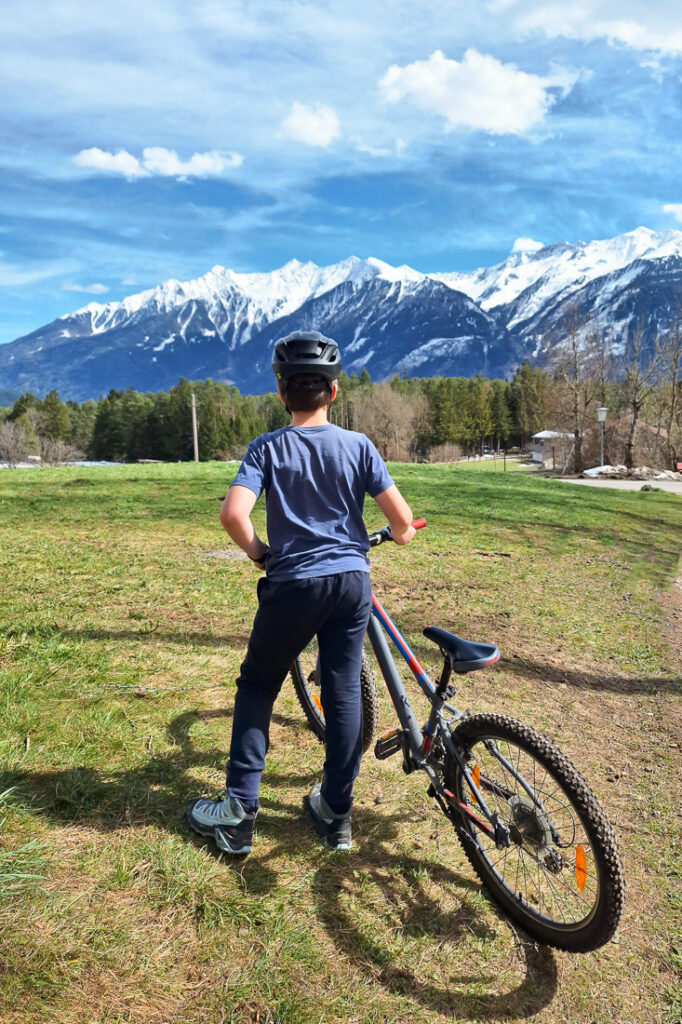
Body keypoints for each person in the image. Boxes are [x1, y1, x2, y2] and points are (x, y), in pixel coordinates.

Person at [186, 331, 415, 854]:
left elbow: (232, 516)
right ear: (333, 394)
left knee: (259, 683)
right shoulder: (359, 447)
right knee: (342, 691)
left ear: (281, 392)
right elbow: (401, 523)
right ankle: (336, 813)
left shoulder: (266, 447)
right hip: (352, 584)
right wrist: (400, 534)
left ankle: (239, 813)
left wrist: (263, 555)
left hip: (292, 584)